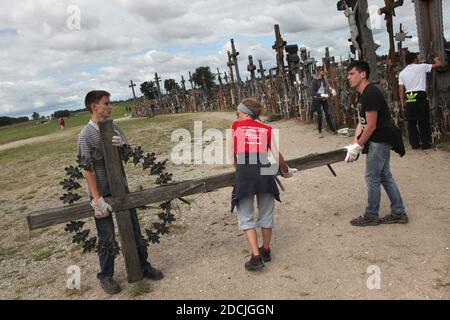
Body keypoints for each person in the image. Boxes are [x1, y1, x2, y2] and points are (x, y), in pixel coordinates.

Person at [77, 90, 163, 295]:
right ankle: (106, 276)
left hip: (120, 187)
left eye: (110, 103)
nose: (110, 106)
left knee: (133, 229)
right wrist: (96, 199)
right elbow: (87, 168)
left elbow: (127, 155)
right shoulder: (85, 135)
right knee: (106, 236)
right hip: (101, 192)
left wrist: (122, 145)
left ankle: (143, 264)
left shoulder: (114, 127)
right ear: (94, 106)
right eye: (106, 103)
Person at [229, 98, 297, 271]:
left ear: (246, 113)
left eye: (239, 111)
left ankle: (256, 257)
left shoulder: (235, 127)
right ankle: (266, 250)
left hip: (245, 172)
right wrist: (286, 170)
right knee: (266, 212)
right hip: (265, 171)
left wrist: (241, 171)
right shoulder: (267, 129)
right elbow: (275, 154)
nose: (237, 114)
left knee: (246, 215)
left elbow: (231, 157)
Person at [345, 61, 408, 226]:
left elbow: (371, 126)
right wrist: (353, 145)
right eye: (348, 74)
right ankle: (399, 212)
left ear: (363, 74)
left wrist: (358, 146)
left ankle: (371, 215)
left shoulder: (371, 93)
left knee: (372, 177)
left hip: (380, 139)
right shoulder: (363, 93)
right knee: (385, 176)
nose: (348, 77)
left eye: (352, 73)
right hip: (378, 139)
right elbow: (362, 122)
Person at [399, 53, 443, 149]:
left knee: (411, 123)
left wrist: (402, 102)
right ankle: (425, 144)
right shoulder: (421, 67)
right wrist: (436, 59)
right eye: (417, 58)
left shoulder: (402, 73)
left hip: (409, 96)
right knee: (423, 121)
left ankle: (414, 144)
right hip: (420, 96)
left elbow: (401, 89)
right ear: (415, 59)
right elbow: (439, 65)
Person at [311, 66, 338, 138]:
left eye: (322, 70)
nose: (322, 71)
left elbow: (328, 86)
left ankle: (333, 130)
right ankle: (320, 131)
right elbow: (312, 92)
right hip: (317, 99)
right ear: (318, 71)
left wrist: (332, 90)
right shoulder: (314, 80)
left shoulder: (323, 79)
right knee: (320, 115)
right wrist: (321, 94)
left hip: (324, 99)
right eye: (321, 70)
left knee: (327, 114)